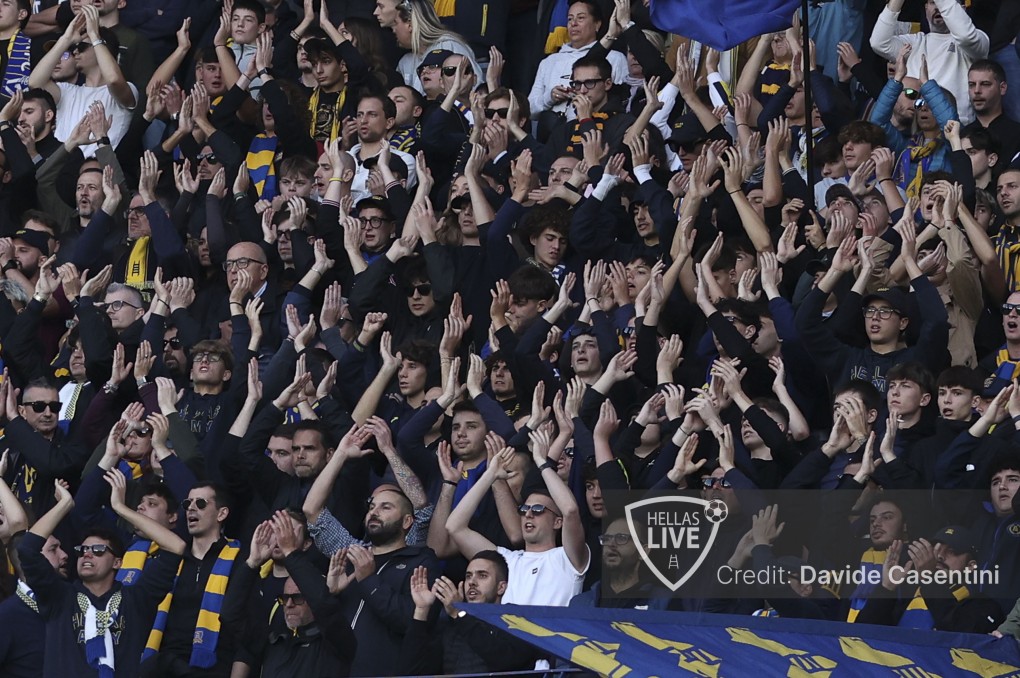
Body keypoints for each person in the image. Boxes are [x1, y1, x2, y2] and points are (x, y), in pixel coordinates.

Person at [18, 473, 185, 678]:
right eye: (82, 550)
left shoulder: (136, 600)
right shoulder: (59, 597)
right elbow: (27, 549)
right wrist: (64, 505)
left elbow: (176, 547)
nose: (87, 554)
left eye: (98, 550)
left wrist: (121, 508)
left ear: (117, 563)